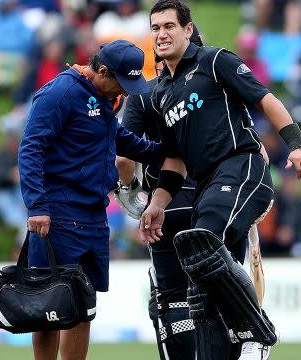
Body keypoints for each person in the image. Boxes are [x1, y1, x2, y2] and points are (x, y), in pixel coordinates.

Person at [140, 1, 301, 359]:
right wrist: (156, 205)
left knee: (202, 244)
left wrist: (295, 145)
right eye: (155, 27)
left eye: (169, 26)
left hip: (241, 167)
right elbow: (174, 161)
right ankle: (230, 345)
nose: (161, 34)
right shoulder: (160, 94)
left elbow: (265, 99)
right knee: (200, 277)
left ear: (188, 30)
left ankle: (258, 332)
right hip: (207, 186)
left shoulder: (215, 60)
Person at [18, 39, 161, 360]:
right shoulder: (61, 93)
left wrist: (164, 153)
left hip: (94, 215)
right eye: (120, 83)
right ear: (102, 70)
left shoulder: (103, 98)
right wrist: (37, 206)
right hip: (56, 213)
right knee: (50, 308)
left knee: (84, 305)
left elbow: (118, 139)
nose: (123, 92)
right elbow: (31, 148)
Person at [116, 25, 203, 360]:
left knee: (172, 300)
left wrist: (131, 193)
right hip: (213, 204)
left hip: (165, 209)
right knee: (218, 296)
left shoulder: (144, 96)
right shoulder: (214, 88)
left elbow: (123, 157)